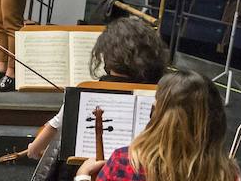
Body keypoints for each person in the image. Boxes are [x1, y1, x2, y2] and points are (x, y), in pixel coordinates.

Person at [71, 69, 241, 181]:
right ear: (216, 122)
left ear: (156, 114)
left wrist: (82, 180)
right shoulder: (228, 177)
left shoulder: (124, 161)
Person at [26, 17, 166, 160]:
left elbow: (44, 139)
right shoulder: (161, 92)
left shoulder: (89, 93)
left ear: (107, 55)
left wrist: (33, 149)